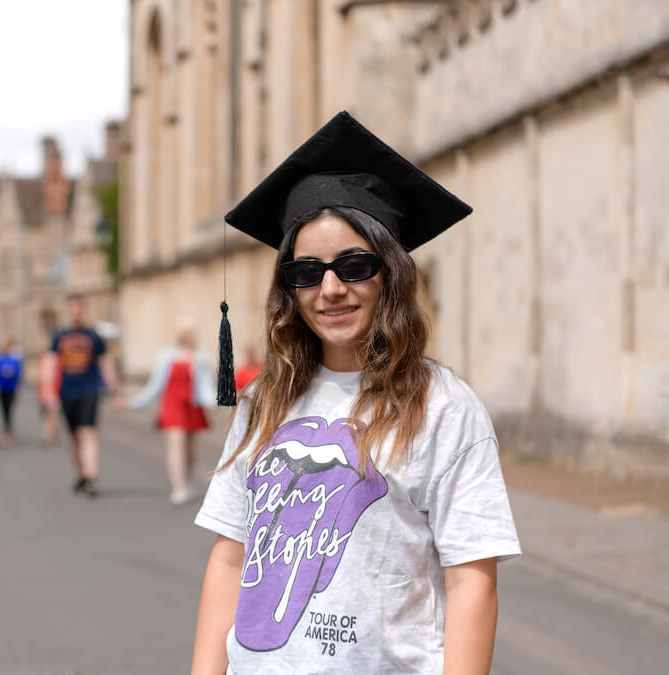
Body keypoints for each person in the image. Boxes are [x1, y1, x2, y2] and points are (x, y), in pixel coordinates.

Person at [191, 112, 521, 674]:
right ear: (287, 288)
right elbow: (230, 557)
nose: (331, 289)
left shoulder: (442, 406)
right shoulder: (263, 401)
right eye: (307, 272)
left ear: (389, 273)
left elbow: (472, 581)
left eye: (354, 265)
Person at [42, 295, 123, 498]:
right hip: (67, 392)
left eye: (78, 307)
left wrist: (115, 392)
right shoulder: (59, 336)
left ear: (83, 309)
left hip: (89, 390)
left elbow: (106, 363)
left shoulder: (94, 337)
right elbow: (51, 364)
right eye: (72, 308)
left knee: (89, 432)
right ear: (68, 310)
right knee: (74, 436)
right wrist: (49, 392)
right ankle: (81, 474)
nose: (75, 311)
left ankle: (91, 476)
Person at [129, 319, 216, 505]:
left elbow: (206, 385)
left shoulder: (200, 356)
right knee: (175, 445)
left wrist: (213, 402)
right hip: (173, 406)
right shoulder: (167, 355)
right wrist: (133, 403)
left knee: (191, 449)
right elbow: (155, 386)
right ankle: (178, 487)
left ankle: (187, 478)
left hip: (193, 406)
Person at [0, 339, 24, 447]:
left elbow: (18, 375)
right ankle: (6, 431)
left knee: (9, 409)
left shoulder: (15, 360)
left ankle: (8, 431)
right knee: (4, 410)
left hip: (11, 389)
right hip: (1, 389)